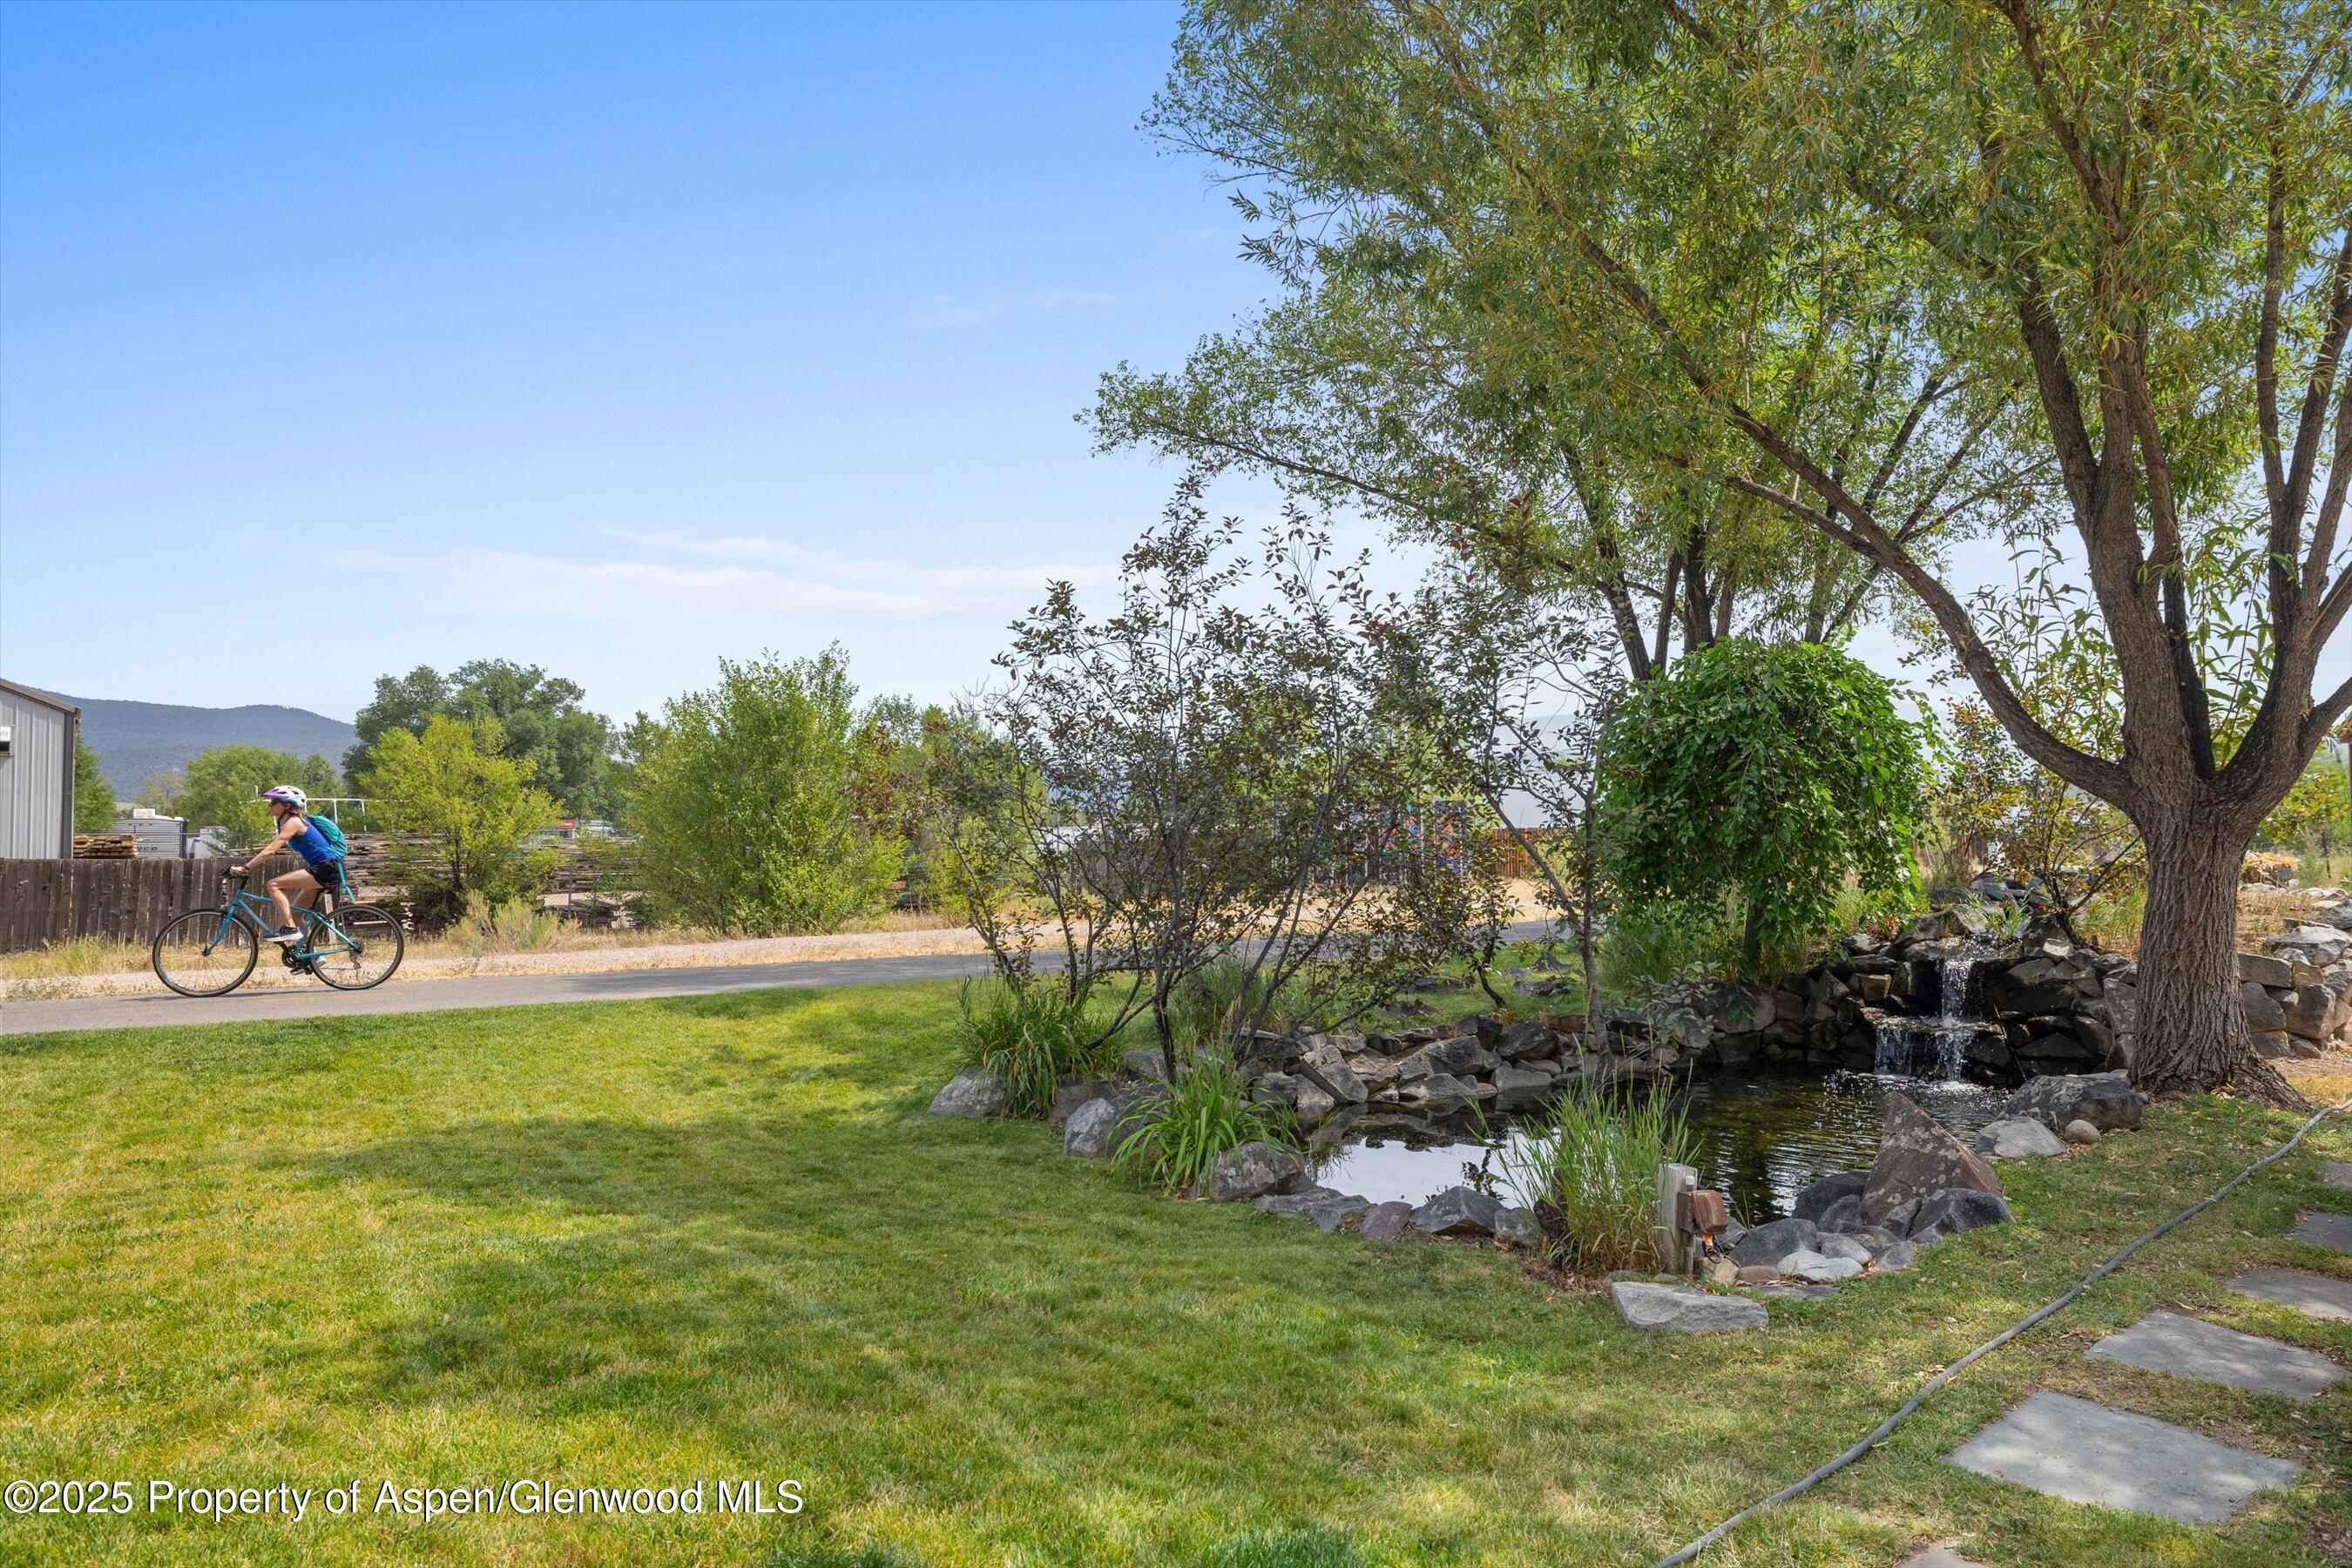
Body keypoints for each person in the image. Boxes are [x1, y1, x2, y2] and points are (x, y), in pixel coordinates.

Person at [230, 785, 347, 943]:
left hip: (327, 868)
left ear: (287, 805)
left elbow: (271, 850)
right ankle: (314, 957)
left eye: (274, 802)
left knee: (273, 885)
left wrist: (245, 868)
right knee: (296, 914)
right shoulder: (290, 822)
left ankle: (290, 929)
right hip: (326, 868)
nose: (270, 805)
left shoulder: (294, 822)